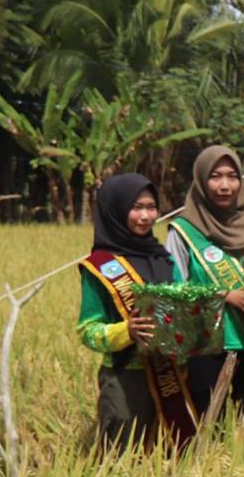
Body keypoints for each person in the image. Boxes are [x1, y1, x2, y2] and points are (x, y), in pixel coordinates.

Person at [164, 144, 244, 420]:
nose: (225, 185)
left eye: (232, 176)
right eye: (215, 176)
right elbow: (173, 291)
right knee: (209, 428)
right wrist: (224, 294)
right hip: (207, 347)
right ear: (200, 180)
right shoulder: (183, 231)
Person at [76, 172, 199, 450]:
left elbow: (183, 304)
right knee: (122, 458)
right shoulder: (100, 266)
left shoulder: (164, 259)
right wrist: (127, 331)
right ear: (116, 210)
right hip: (125, 378)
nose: (146, 216)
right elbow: (88, 330)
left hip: (173, 373)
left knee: (170, 453)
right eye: (136, 207)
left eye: (151, 207)